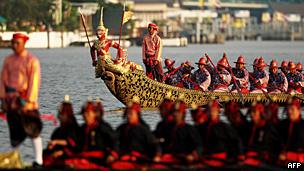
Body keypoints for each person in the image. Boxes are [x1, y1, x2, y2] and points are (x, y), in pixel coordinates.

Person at [0, 33, 43, 166]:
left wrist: (29, 101)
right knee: (15, 131)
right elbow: (2, 81)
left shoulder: (31, 60)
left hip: (26, 100)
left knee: (33, 129)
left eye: (17, 43)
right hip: (11, 100)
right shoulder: (8, 60)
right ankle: (15, 159)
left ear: (23, 44)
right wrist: (3, 99)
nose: (14, 45)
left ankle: (38, 160)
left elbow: (34, 82)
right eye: (13, 43)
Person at [197, 100, 241, 166]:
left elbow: (235, 141)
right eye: (210, 110)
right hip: (205, 158)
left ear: (218, 111)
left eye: (214, 110)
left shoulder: (224, 127)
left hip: (219, 159)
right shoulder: (203, 126)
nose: (212, 113)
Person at [116, 99, 160, 164]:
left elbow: (153, 144)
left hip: (139, 160)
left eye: (131, 113)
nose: (128, 116)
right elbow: (114, 142)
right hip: (125, 158)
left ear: (137, 114)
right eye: (127, 113)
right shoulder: (122, 128)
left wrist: (156, 156)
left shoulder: (143, 129)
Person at [77, 100, 118, 166]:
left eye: (88, 113)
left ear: (95, 114)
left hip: (99, 160)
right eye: (84, 113)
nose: (85, 116)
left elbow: (115, 142)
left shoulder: (103, 127)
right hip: (84, 159)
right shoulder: (82, 128)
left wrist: (112, 155)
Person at [43, 95, 80, 167]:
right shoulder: (59, 129)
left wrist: (57, 144)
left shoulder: (72, 127)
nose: (58, 115)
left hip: (71, 154)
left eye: (61, 113)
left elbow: (72, 142)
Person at [162, 100, 201, 164]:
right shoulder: (166, 127)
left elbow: (199, 145)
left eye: (177, 112)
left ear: (182, 114)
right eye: (174, 112)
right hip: (169, 158)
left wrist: (193, 155)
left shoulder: (189, 129)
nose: (175, 114)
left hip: (185, 159)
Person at [90, 9, 124, 77]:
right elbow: (92, 50)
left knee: (120, 71)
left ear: (104, 32)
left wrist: (119, 58)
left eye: (100, 31)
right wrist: (94, 60)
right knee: (97, 75)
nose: (98, 32)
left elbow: (119, 48)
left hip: (107, 61)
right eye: (98, 31)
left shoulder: (108, 41)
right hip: (100, 62)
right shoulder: (95, 43)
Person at [278, 98, 304, 164]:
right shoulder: (283, 124)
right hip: (282, 160)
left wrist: (289, 156)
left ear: (299, 110)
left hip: (298, 162)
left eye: (292, 109)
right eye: (288, 109)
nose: (289, 111)